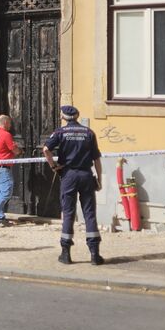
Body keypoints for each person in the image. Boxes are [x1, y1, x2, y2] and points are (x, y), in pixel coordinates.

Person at [42, 105, 104, 265]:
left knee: (68, 213)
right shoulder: (89, 133)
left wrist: (53, 166)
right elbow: (96, 159)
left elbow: (46, 149)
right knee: (90, 213)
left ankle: (66, 254)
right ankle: (94, 254)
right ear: (77, 116)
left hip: (68, 175)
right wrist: (99, 179)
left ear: (63, 117)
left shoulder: (60, 132)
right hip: (86, 175)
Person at [0, 114, 20, 227]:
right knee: (6, 193)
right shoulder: (6, 134)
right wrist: (19, 151)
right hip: (2, 168)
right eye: (10, 123)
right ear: (5, 123)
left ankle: (0, 217)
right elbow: (14, 149)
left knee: (0, 193)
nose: (10, 125)